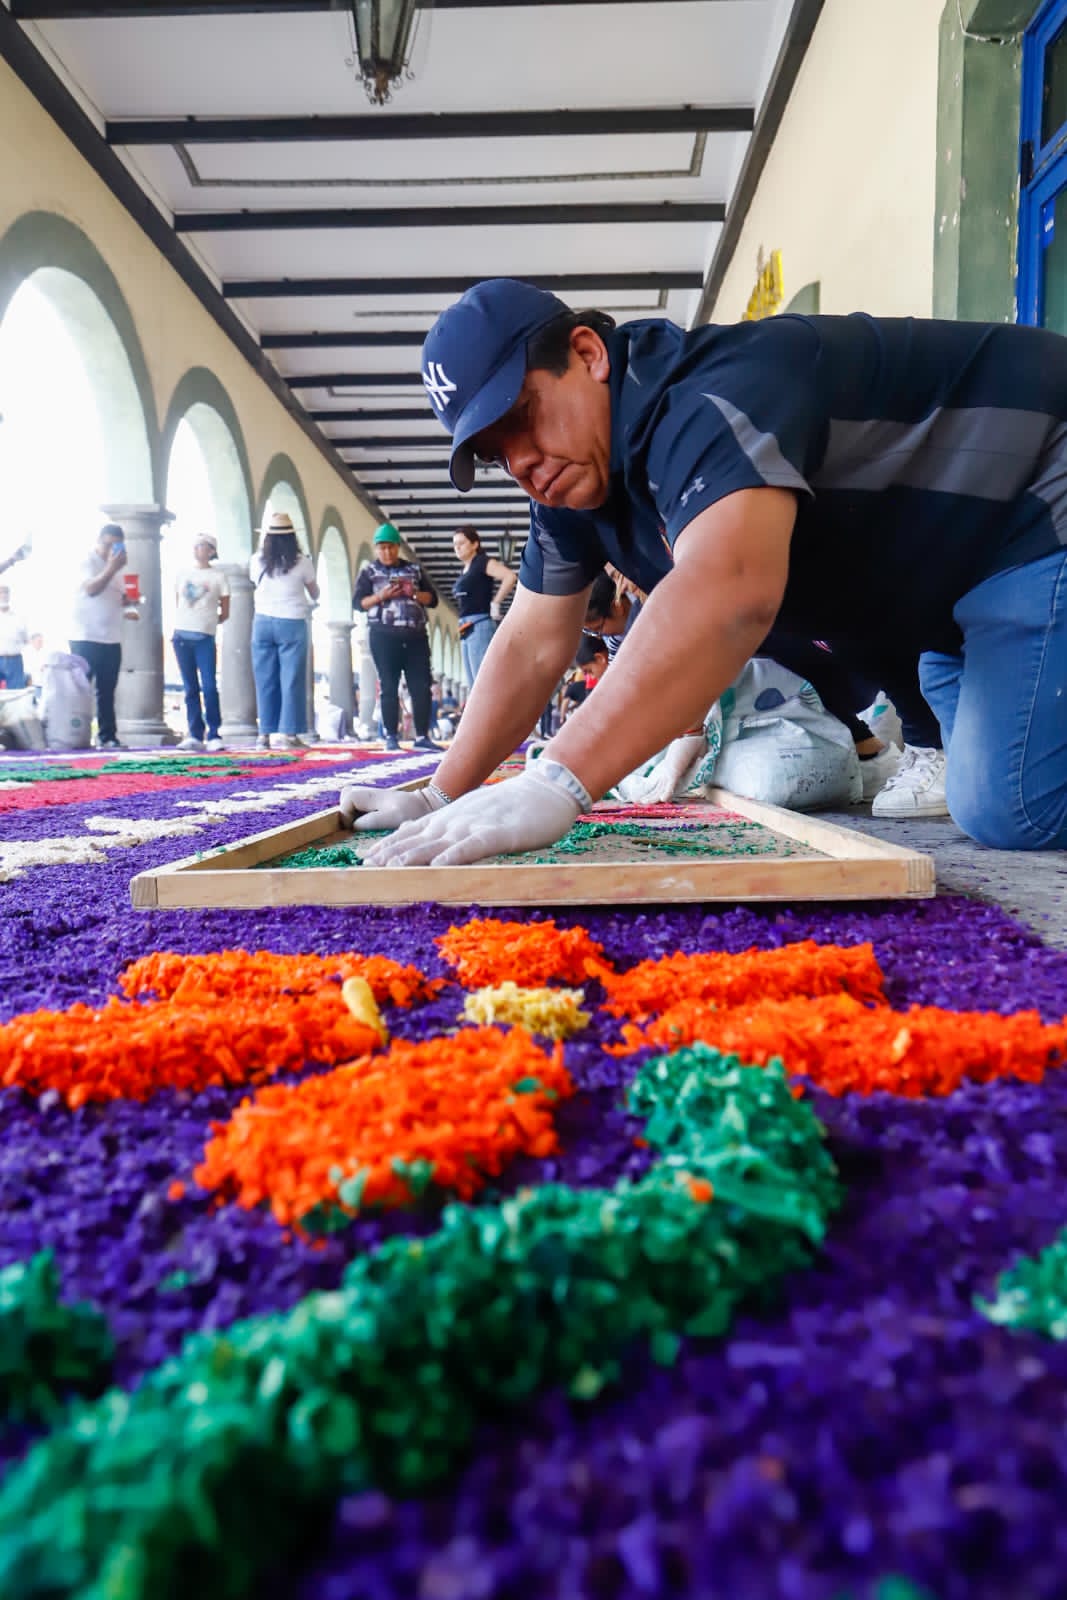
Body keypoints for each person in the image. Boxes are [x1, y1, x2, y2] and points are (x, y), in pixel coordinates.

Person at [340, 277, 1067, 861]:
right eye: (498, 453)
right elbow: (532, 640)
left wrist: (557, 781)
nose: (521, 462)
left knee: (1014, 806)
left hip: (1036, 501)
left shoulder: (704, 399)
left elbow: (729, 592)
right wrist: (441, 794)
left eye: (523, 415)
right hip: (954, 595)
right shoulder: (569, 482)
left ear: (589, 354)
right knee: (988, 753)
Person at [353, 523, 442, 752]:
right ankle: (391, 735)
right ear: (376, 549)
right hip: (383, 636)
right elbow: (359, 603)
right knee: (389, 686)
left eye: (391, 547)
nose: (387, 552)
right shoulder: (369, 572)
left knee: (420, 685)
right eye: (382, 548)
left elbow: (432, 599)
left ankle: (422, 735)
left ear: (398, 547)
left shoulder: (414, 570)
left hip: (415, 636)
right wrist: (381, 595)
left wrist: (412, 593)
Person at [250, 510, 319, 751]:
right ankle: (289, 734)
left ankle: (264, 735)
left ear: (267, 537)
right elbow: (315, 592)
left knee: (265, 680)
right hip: (292, 621)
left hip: (262, 622)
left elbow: (253, 582)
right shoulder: (302, 561)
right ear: (292, 537)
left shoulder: (256, 560)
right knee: (291, 680)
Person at [70, 521, 137, 750]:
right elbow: (91, 589)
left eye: (117, 546)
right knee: (81, 689)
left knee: (107, 690)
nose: (112, 551)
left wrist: (132, 601)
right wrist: (111, 567)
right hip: (85, 636)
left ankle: (108, 736)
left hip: (112, 636)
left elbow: (127, 597)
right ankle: (76, 734)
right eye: (109, 545)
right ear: (99, 541)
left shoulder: (122, 569)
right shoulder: (87, 561)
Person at [172, 532, 230, 752]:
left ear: (212, 550)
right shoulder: (182, 573)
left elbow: (225, 611)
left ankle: (214, 733)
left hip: (204, 635)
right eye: (196, 545)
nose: (198, 549)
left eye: (203, 546)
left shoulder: (218, 576)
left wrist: (207, 622)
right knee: (190, 688)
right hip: (181, 635)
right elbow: (178, 602)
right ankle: (195, 733)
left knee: (209, 686)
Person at [451, 525, 517, 686]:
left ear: (475, 544)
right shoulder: (465, 569)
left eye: (462, 543)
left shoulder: (482, 562)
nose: (457, 547)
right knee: (473, 681)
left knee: (482, 681)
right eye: (455, 544)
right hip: (466, 626)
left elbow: (510, 576)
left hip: (479, 623)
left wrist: (496, 602)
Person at [0, 586, 28, 690]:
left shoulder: (19, 617)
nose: (3, 595)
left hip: (14, 660)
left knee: (16, 696)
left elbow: (26, 639)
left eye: (6, 593)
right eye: (0, 593)